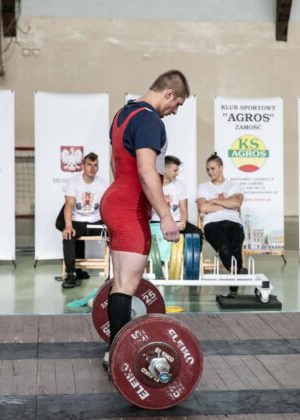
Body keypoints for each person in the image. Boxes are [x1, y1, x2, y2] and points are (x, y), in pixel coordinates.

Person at [100, 70, 190, 367]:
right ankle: (117, 356)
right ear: (168, 94)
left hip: (117, 200)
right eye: (176, 104)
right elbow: (146, 169)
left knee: (121, 282)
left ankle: (114, 350)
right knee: (126, 284)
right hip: (129, 208)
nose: (175, 112)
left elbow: (117, 163)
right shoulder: (150, 119)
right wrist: (165, 215)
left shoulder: (122, 114)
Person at [197, 153, 246, 298]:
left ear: (221, 168)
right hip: (212, 224)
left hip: (234, 222)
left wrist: (214, 201)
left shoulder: (234, 185)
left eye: (212, 169)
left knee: (235, 248)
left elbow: (236, 203)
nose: (210, 172)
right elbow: (203, 208)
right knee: (224, 246)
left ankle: (234, 288)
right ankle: (237, 273)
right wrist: (227, 204)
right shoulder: (203, 187)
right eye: (207, 169)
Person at [58, 152, 108, 289]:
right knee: (68, 234)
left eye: (95, 165)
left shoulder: (103, 184)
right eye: (89, 165)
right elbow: (68, 204)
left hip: (96, 221)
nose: (92, 168)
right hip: (78, 220)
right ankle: (71, 274)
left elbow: (108, 206)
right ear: (83, 166)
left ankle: (112, 274)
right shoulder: (73, 182)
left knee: (116, 233)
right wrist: (68, 226)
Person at [151, 155, 204, 246]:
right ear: (165, 169)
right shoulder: (152, 185)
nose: (177, 173)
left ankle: (187, 259)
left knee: (197, 234)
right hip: (157, 222)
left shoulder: (180, 185)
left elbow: (184, 211)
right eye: (175, 170)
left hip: (177, 222)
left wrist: (182, 223)